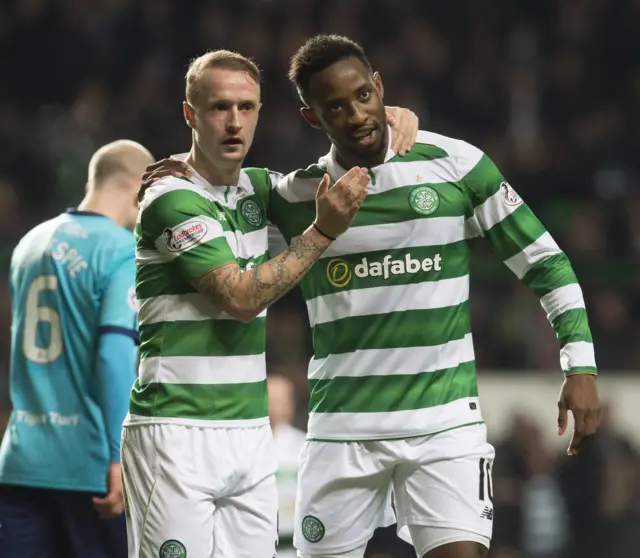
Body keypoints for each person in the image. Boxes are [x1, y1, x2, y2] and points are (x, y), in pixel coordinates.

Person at [265, 34, 599, 558]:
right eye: (334, 106)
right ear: (313, 118)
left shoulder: (457, 164)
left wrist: (580, 365)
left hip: (445, 423)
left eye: (362, 95)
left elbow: (546, 262)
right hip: (341, 430)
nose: (355, 114)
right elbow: (226, 259)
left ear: (379, 87)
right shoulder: (295, 198)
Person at [121, 49, 412, 558]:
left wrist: (396, 117)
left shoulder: (259, 190)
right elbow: (239, 296)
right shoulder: (169, 196)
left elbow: (344, 167)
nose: (234, 122)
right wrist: (321, 231)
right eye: (219, 108)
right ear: (190, 115)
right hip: (175, 431)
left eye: (247, 107)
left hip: (252, 431)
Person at [0, 140, 152, 558]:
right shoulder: (122, 250)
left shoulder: (29, 244)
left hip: (21, 461)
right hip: (88, 469)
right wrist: (118, 454)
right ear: (138, 189)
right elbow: (113, 354)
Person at [268, 374, 307, 558]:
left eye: (284, 399)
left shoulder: (303, 446)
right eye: (273, 399)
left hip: (297, 544)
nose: (279, 405)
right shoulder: (247, 449)